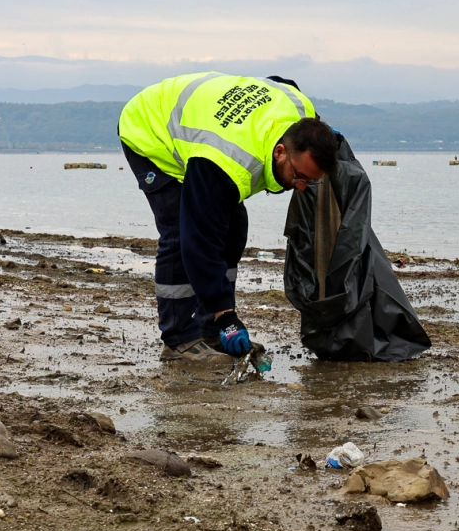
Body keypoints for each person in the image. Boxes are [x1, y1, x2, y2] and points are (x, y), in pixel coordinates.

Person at [117, 72, 338, 364]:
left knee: (234, 228)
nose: (301, 187)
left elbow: (279, 82)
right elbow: (199, 242)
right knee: (179, 234)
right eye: (299, 177)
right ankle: (179, 340)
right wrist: (228, 317)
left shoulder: (300, 109)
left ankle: (210, 330)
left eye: (310, 181)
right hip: (149, 128)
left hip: (207, 131)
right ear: (280, 152)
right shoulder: (226, 161)